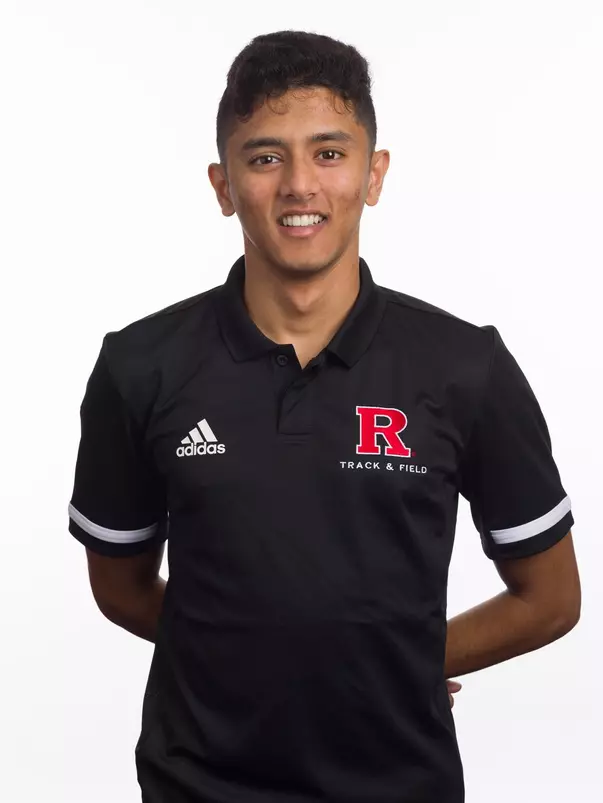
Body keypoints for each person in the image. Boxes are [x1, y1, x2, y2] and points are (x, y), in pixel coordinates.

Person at [67, 29, 580, 803]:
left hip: (400, 784)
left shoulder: (462, 366)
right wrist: (258, 657)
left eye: (330, 153)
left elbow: (549, 598)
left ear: (374, 175)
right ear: (222, 183)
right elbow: (121, 586)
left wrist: (392, 659)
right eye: (265, 156)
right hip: (196, 784)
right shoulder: (141, 366)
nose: (300, 185)